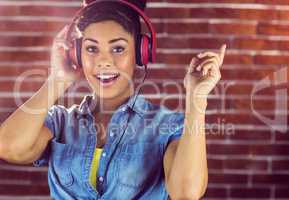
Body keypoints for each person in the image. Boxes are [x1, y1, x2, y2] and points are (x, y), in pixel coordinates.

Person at [0, 0, 226, 199]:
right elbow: (8, 147)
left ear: (140, 53)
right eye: (91, 49)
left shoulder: (168, 127)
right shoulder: (59, 122)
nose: (104, 61)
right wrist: (57, 79)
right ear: (76, 54)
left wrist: (197, 100)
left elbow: (186, 193)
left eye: (118, 48)